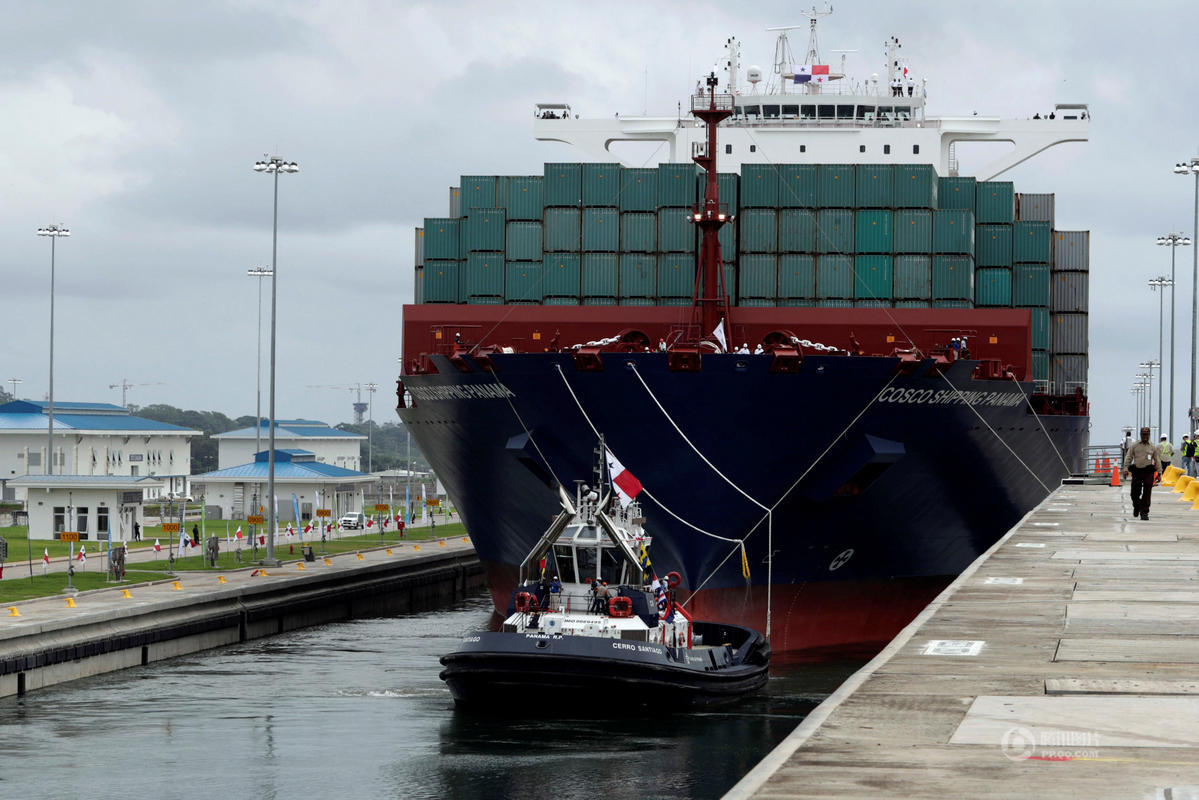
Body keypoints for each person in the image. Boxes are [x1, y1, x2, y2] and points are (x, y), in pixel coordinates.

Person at [1123, 427, 1162, 520]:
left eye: (1147, 434)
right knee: (1134, 493)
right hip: (1137, 471)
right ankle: (1137, 506)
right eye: (1143, 434)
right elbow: (1129, 456)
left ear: (1149, 435)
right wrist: (1125, 469)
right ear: (1140, 435)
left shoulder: (1153, 447)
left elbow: (1157, 459)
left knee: (1147, 492)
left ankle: (1144, 512)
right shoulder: (1135, 445)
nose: (1145, 436)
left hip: (1148, 472)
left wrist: (1159, 473)